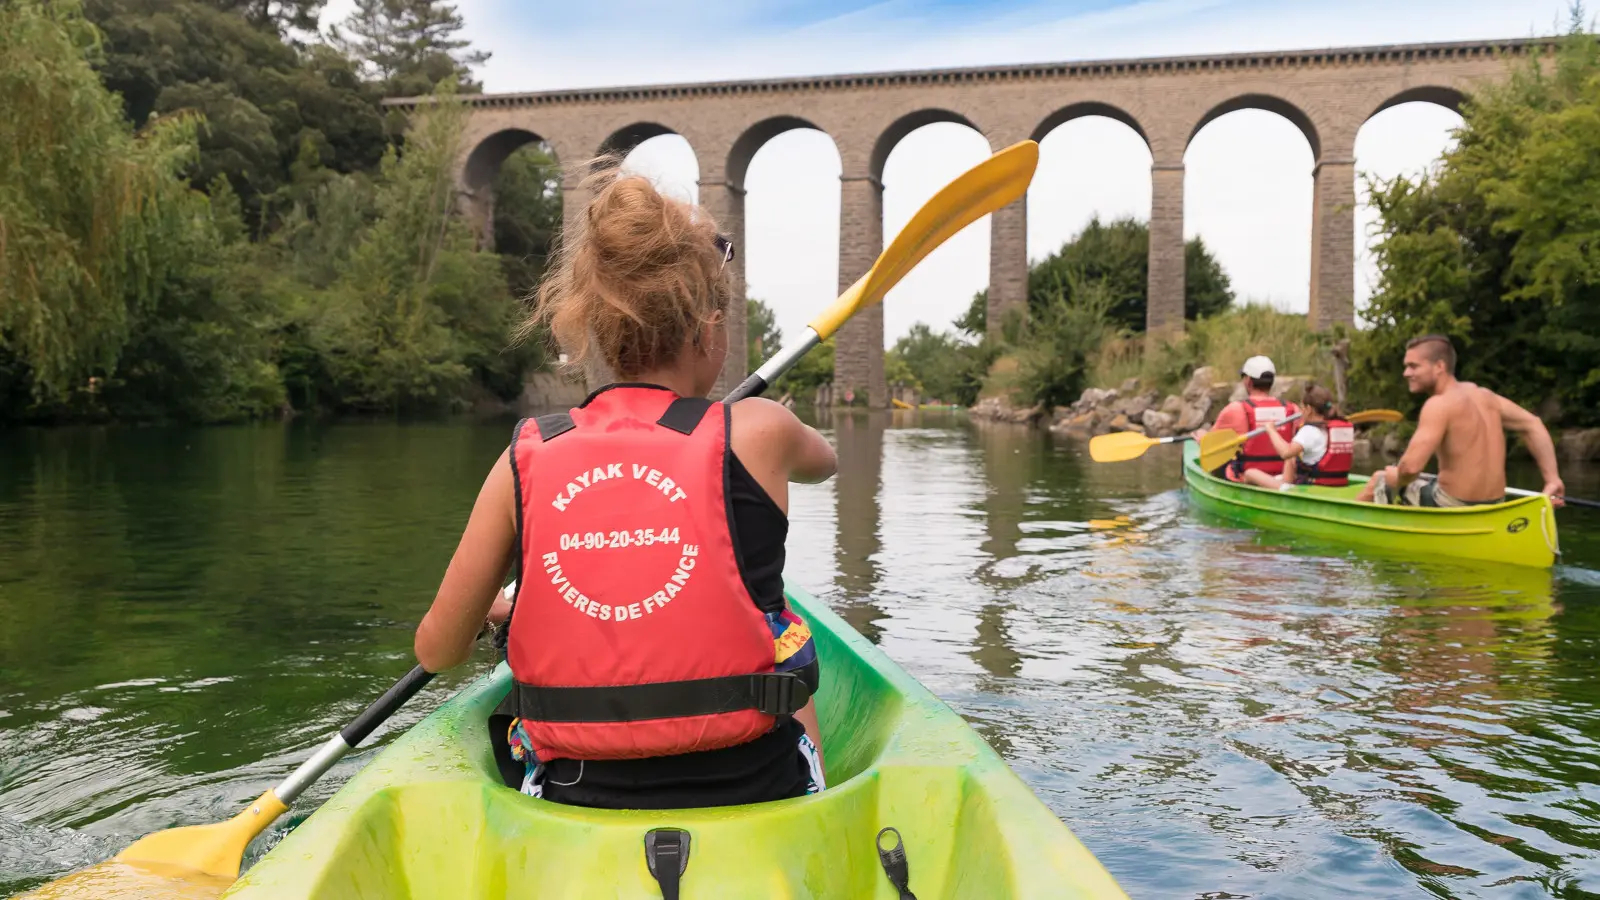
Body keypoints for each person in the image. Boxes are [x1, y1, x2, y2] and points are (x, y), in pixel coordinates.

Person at [413, 164, 838, 810]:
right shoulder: (762, 431)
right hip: (754, 785)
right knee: (784, 633)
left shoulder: (525, 458)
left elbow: (438, 649)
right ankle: (815, 814)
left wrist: (505, 609)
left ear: (602, 333)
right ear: (704, 330)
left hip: (580, 797)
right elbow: (825, 462)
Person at [1354, 334, 1565, 507]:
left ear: (1439, 366)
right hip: (1494, 505)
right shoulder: (1486, 396)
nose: (1406, 373)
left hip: (1453, 505)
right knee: (1425, 479)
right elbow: (1533, 424)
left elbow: (1410, 468)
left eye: (1413, 366)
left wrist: (1395, 478)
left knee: (1380, 479)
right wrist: (1552, 479)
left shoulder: (1438, 404)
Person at [1238, 384, 1353, 490]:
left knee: (1249, 473)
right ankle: (1283, 482)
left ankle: (1277, 491)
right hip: (1335, 484)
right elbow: (1291, 456)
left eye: (1302, 407)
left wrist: (1271, 430)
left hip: (1308, 488)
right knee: (1294, 457)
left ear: (1308, 409)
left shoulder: (1309, 431)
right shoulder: (1333, 427)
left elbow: (1285, 452)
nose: (1301, 411)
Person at [1204, 356, 1300, 481]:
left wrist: (1201, 439)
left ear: (1248, 380)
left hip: (1248, 478)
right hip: (1285, 476)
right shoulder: (1293, 409)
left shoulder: (1236, 409)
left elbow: (1211, 447)